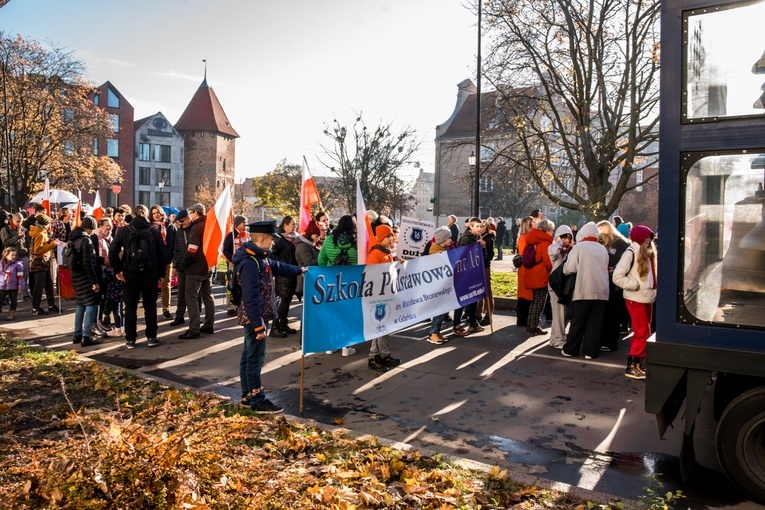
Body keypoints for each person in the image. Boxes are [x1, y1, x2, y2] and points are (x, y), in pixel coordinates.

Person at [234, 220, 305, 414]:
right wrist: (258, 326)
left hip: (256, 316)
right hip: (255, 318)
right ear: (263, 238)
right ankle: (257, 399)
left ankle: (247, 394)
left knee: (248, 356)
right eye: (272, 239)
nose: (274, 242)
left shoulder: (259, 257)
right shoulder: (250, 262)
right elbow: (250, 297)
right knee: (254, 358)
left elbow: (277, 266)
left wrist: (300, 270)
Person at [108, 205, 165, 349]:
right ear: (146, 215)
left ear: (133, 215)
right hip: (150, 273)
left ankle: (130, 339)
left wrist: (117, 270)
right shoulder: (153, 231)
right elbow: (161, 254)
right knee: (150, 307)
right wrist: (161, 273)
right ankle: (151, 337)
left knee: (130, 307)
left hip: (129, 273)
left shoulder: (124, 231)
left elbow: (113, 251)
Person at [613, 225, 657, 380]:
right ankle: (632, 365)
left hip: (646, 297)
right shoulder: (631, 253)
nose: (649, 241)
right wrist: (634, 285)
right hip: (636, 297)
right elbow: (617, 276)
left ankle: (637, 364)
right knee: (642, 332)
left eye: (650, 238)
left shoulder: (647, 254)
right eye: (647, 238)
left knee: (643, 332)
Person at [561, 222, 610, 359]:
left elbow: (569, 268)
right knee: (595, 323)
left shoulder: (579, 248)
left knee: (577, 321)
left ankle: (571, 349)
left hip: (583, 289)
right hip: (601, 290)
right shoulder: (602, 249)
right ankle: (590, 351)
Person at [366, 224, 402, 372]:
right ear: (380, 238)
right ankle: (373, 357)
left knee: (385, 327)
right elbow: (372, 275)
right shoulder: (376, 254)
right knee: (379, 326)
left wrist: (397, 262)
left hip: (387, 295)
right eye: (387, 236)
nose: (390, 238)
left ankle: (384, 355)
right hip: (378, 296)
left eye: (391, 235)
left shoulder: (386, 252)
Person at [179, 203, 215, 339]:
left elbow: (192, 250)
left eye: (191, 213)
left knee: (191, 297)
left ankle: (194, 329)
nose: (190, 216)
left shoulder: (196, 228)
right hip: (208, 266)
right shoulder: (209, 225)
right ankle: (209, 324)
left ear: (195, 213)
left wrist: (184, 264)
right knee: (208, 295)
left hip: (195, 268)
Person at [597, 220, 631, 352]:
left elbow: (627, 261)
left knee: (613, 313)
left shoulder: (621, 243)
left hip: (615, 284)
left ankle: (610, 343)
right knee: (605, 313)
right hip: (604, 281)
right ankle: (603, 340)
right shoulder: (602, 243)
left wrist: (615, 269)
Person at [70, 216, 102, 347]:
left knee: (80, 305)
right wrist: (94, 281)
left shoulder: (72, 238)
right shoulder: (86, 241)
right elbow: (88, 262)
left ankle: (77, 334)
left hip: (75, 275)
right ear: (89, 228)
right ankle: (86, 335)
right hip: (85, 276)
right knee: (91, 304)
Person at [453, 217, 486, 336]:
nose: (479, 229)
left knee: (473, 298)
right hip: (464, 274)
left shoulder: (477, 238)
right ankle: (456, 324)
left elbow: (482, 258)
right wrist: (475, 248)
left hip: (473, 273)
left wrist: (483, 248)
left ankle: (473, 323)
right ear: (470, 227)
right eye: (477, 226)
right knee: (462, 300)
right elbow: (462, 257)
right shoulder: (466, 239)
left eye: (481, 226)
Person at [269, 216, 299, 338]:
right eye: (293, 223)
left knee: (287, 301)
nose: (295, 226)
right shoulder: (280, 239)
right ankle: (274, 327)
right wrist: (285, 263)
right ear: (285, 225)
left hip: (292, 272)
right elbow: (272, 256)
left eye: (295, 223)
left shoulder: (294, 237)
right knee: (282, 301)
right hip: (283, 274)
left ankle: (283, 323)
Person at [524, 219, 555, 335]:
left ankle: (530, 325)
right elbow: (548, 262)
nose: (552, 232)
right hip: (541, 275)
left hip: (531, 273)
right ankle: (534, 326)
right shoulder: (545, 242)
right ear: (547, 230)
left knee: (534, 302)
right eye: (551, 230)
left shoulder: (532, 239)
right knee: (539, 302)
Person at [426, 226, 454, 345]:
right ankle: (433, 333)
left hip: (443, 286)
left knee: (442, 311)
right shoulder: (435, 252)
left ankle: (436, 331)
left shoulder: (442, 249)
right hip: (438, 287)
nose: (451, 240)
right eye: (449, 238)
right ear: (443, 239)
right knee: (439, 311)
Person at [29, 214, 62, 315]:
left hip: (44, 262)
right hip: (40, 262)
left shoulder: (40, 232)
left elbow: (42, 245)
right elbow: (38, 250)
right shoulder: (40, 234)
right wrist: (52, 245)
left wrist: (50, 242)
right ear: (45, 224)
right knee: (39, 285)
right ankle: (35, 307)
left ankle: (51, 305)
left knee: (49, 284)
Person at [547, 225, 574, 348]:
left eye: (569, 237)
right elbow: (553, 252)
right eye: (564, 237)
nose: (567, 240)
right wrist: (558, 241)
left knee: (562, 314)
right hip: (556, 285)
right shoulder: (554, 247)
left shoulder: (570, 250)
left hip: (565, 285)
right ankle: (558, 339)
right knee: (559, 314)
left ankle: (555, 337)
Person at [150, 205, 177, 320]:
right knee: (152, 286)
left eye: (158, 213)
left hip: (166, 260)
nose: (156, 215)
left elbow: (174, 244)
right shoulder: (148, 227)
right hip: (152, 261)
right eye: (154, 213)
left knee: (166, 285)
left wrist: (171, 258)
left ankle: (166, 309)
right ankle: (151, 308)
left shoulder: (169, 227)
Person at [223, 215, 249, 317]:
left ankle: (240, 304)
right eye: (244, 223)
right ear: (237, 224)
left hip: (245, 263)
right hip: (234, 263)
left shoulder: (247, 235)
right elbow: (225, 250)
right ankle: (230, 307)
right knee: (232, 284)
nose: (245, 225)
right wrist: (232, 259)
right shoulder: (231, 236)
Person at [1, 213, 30, 301]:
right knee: (9, 277)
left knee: (24, 275)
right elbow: (5, 242)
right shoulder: (6, 229)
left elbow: (28, 242)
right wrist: (17, 237)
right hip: (11, 258)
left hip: (23, 255)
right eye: (18, 221)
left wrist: (29, 253)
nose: (19, 223)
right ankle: (6, 296)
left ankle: (25, 294)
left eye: (21, 221)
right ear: (12, 220)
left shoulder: (24, 229)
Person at [170, 209, 191, 326]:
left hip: (193, 267)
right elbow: (176, 250)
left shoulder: (194, 229)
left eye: (182, 221)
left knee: (193, 294)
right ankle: (179, 315)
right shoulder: (178, 232)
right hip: (182, 266)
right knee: (181, 292)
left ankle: (196, 317)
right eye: (179, 222)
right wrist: (175, 266)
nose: (181, 224)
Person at [515, 217, 534, 327]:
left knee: (522, 293)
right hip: (527, 267)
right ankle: (524, 319)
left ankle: (521, 319)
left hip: (522, 267)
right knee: (527, 294)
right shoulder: (528, 237)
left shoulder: (521, 237)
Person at [476, 221, 495, 325]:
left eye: (481, 226)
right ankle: (478, 313)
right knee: (478, 290)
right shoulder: (479, 237)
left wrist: (484, 252)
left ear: (485, 227)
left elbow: (490, 255)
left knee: (487, 291)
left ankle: (488, 315)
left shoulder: (488, 238)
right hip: (478, 267)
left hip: (485, 267)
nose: (480, 228)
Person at [0, 247, 24, 320]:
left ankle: (11, 313)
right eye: (12, 255)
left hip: (13, 286)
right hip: (2, 286)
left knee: (13, 301)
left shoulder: (18, 265)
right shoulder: (1, 264)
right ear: (6, 255)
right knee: (0, 300)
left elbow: (20, 277)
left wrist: (20, 287)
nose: (14, 257)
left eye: (15, 255)